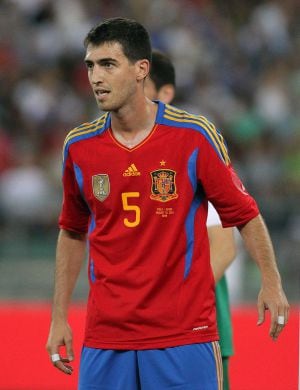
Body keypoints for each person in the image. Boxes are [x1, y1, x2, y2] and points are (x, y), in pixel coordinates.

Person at [46, 17, 289, 390]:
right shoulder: (78, 147)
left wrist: (271, 282)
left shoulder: (193, 136)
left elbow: (245, 215)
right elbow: (72, 231)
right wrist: (59, 315)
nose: (95, 76)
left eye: (108, 64)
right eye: (90, 65)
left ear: (142, 69)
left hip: (183, 335)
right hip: (106, 335)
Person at [144, 50, 236, 390]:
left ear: (165, 93)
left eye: (141, 84)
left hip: (195, 327)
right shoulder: (132, 156)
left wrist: (174, 300)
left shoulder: (188, 150)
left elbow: (224, 248)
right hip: (147, 327)